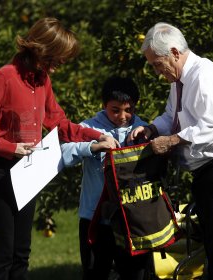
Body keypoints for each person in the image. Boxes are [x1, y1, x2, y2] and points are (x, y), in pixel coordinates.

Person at [0, 17, 118, 280]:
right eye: (57, 58)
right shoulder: (5, 77)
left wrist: (98, 136)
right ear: (41, 49)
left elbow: (58, 123)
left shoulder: (42, 81)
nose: (60, 65)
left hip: (27, 171)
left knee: (21, 253)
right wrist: (9, 147)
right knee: (3, 253)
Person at [128, 22, 213, 280]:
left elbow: (212, 128)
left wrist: (171, 141)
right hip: (208, 175)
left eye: (156, 64)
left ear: (174, 52)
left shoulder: (204, 75)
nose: (156, 71)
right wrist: (151, 129)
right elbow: (172, 115)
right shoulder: (179, 79)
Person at [60, 76, 152, 280]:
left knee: (134, 272)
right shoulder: (90, 128)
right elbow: (64, 152)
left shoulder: (142, 128)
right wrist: (92, 146)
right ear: (104, 106)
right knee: (95, 272)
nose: (122, 116)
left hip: (131, 217)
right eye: (115, 110)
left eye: (129, 109)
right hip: (95, 217)